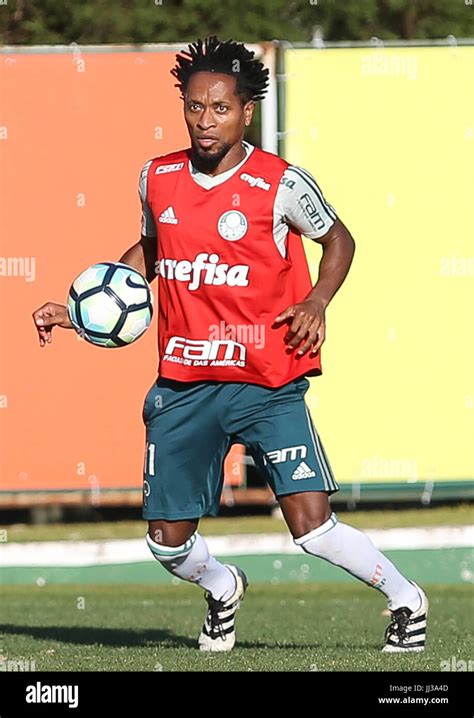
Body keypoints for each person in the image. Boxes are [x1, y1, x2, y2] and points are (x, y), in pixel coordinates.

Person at [32, 35, 428, 654]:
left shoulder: (282, 184)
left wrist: (317, 302)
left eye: (220, 108)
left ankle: (407, 599)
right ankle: (222, 587)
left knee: (312, 528)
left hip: (267, 378)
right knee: (165, 540)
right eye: (194, 106)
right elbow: (155, 252)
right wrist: (84, 309)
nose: (204, 120)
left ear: (247, 111)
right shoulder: (157, 177)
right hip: (184, 383)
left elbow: (341, 241)